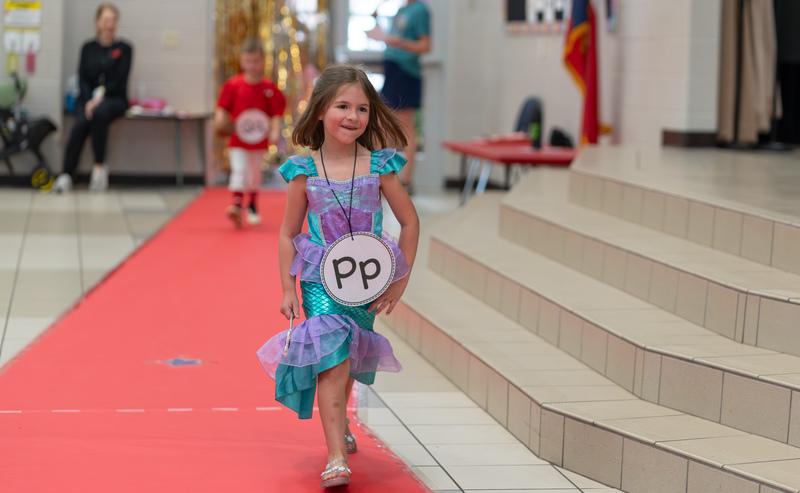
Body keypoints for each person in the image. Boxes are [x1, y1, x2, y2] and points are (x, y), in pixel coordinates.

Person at [256, 64, 419, 488]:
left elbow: (410, 222)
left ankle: (340, 425)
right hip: (319, 278)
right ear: (320, 111)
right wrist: (285, 288)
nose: (353, 116)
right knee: (332, 359)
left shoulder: (380, 166)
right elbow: (288, 233)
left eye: (362, 108)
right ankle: (335, 456)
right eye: (343, 106)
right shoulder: (303, 171)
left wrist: (400, 279)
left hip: (367, 279)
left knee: (348, 356)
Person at [53, 3, 132, 193]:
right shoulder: (88, 48)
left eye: (113, 20)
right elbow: (83, 77)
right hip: (88, 99)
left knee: (98, 114)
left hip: (114, 98)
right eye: (105, 20)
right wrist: (89, 100)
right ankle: (66, 175)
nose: (109, 24)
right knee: (80, 124)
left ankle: (99, 170)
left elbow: (120, 79)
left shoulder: (125, 48)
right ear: (98, 22)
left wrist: (98, 100)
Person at [215, 38, 286, 227]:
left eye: (256, 61)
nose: (252, 65)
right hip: (238, 139)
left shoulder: (269, 88)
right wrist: (220, 120)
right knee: (239, 169)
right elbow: (222, 107)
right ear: (241, 61)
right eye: (248, 61)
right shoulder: (233, 85)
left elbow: (277, 113)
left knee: (254, 174)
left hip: (258, 140)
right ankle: (236, 205)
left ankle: (252, 204)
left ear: (263, 61)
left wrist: (275, 131)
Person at [375, 0, 431, 194]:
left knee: (405, 128)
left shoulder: (420, 10)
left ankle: (406, 180)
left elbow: (425, 45)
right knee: (382, 127)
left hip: (405, 74)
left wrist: (400, 43)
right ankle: (382, 178)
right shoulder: (402, 9)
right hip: (393, 71)